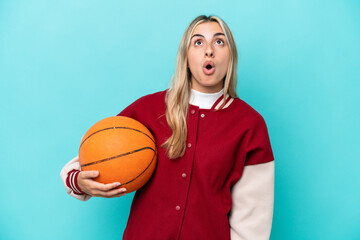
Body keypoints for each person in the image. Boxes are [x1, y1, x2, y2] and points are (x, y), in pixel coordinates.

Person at [60, 15, 275, 240]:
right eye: (198, 42)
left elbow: (253, 221)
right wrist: (79, 182)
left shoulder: (250, 125)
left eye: (219, 42)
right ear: (185, 57)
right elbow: (88, 162)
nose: (209, 50)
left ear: (231, 56)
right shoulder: (147, 109)